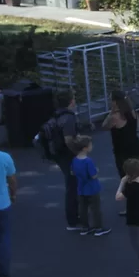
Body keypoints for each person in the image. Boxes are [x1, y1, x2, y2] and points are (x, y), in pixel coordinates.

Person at [41, 89, 81, 231]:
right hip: (67, 155)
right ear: (71, 101)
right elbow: (69, 139)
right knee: (72, 185)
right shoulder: (69, 118)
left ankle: (75, 215)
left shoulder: (56, 115)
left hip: (59, 154)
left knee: (71, 183)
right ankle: (73, 220)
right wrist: (79, 153)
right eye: (74, 98)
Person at [71, 135, 110, 237]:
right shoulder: (88, 161)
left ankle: (85, 227)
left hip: (81, 188)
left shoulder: (74, 160)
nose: (92, 146)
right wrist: (96, 171)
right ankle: (98, 228)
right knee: (95, 208)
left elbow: (72, 172)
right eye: (90, 145)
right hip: (92, 189)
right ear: (85, 148)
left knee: (83, 208)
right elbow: (93, 176)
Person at [102, 91, 139, 182]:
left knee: (125, 175)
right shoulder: (133, 113)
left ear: (115, 102)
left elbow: (104, 126)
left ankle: (130, 193)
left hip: (122, 150)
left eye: (110, 100)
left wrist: (111, 112)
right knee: (135, 171)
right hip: (134, 145)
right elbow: (137, 128)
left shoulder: (115, 117)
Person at [0, 137, 16, 277]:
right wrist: (13, 194)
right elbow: (12, 179)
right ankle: (2, 275)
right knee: (3, 239)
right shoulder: (4, 157)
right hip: (2, 204)